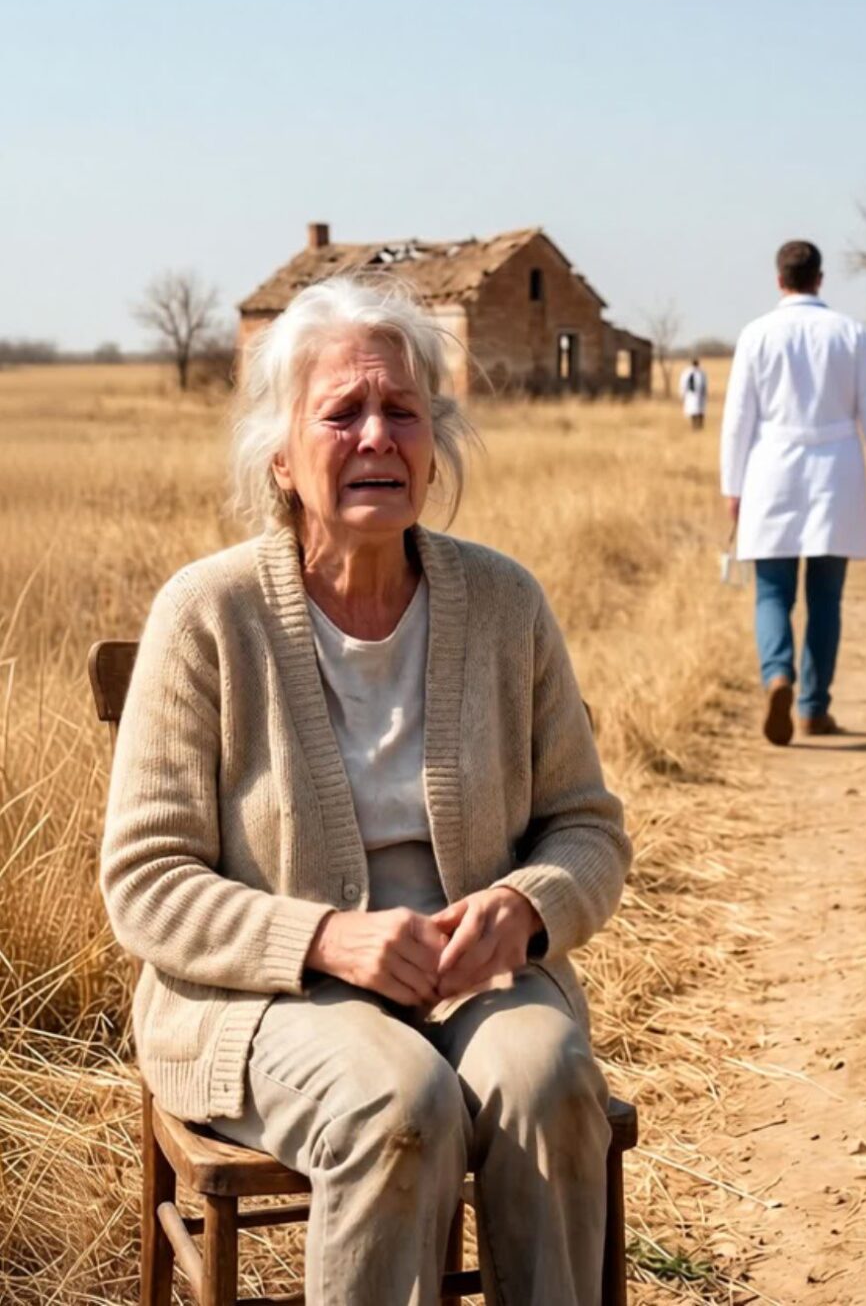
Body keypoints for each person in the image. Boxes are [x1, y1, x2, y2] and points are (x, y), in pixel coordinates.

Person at [100, 279, 632, 1306]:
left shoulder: (507, 602)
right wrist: (327, 939)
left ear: (436, 444)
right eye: (342, 412)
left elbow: (588, 829)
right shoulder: (208, 614)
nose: (377, 436)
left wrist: (525, 912)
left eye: (403, 411)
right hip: (265, 1000)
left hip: (478, 985)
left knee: (550, 1079)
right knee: (398, 1102)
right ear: (282, 454)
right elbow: (145, 881)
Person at [719, 241, 866, 746]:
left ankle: (777, 674)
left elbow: (738, 419)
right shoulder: (850, 333)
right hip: (836, 475)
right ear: (819, 279)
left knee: (773, 592)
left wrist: (731, 487)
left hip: (770, 472)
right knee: (826, 598)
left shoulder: (756, 334)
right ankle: (812, 709)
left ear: (779, 280)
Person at [679, 356, 708, 430]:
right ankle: (694, 426)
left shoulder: (701, 372)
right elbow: (683, 384)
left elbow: (705, 384)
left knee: (701, 411)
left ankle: (700, 426)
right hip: (690, 395)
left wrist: (704, 393)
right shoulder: (687, 373)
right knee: (693, 411)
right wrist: (682, 393)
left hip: (700, 395)